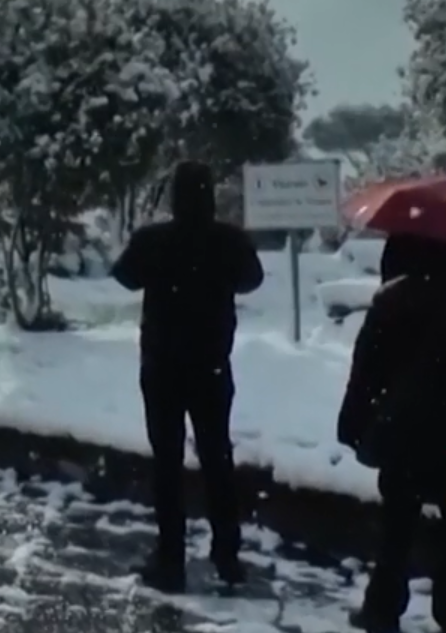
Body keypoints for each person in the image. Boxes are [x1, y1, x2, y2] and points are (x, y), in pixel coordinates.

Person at [336, 233, 446, 633]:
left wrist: (352, 424)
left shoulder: (391, 301)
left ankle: (382, 609)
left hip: (405, 444)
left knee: (397, 525)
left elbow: (365, 371)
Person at [109, 160, 265, 591]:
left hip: (163, 366)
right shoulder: (228, 241)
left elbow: (123, 275)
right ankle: (227, 555)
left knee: (167, 463)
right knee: (217, 459)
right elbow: (252, 279)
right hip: (212, 365)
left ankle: (171, 557)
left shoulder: (154, 241)